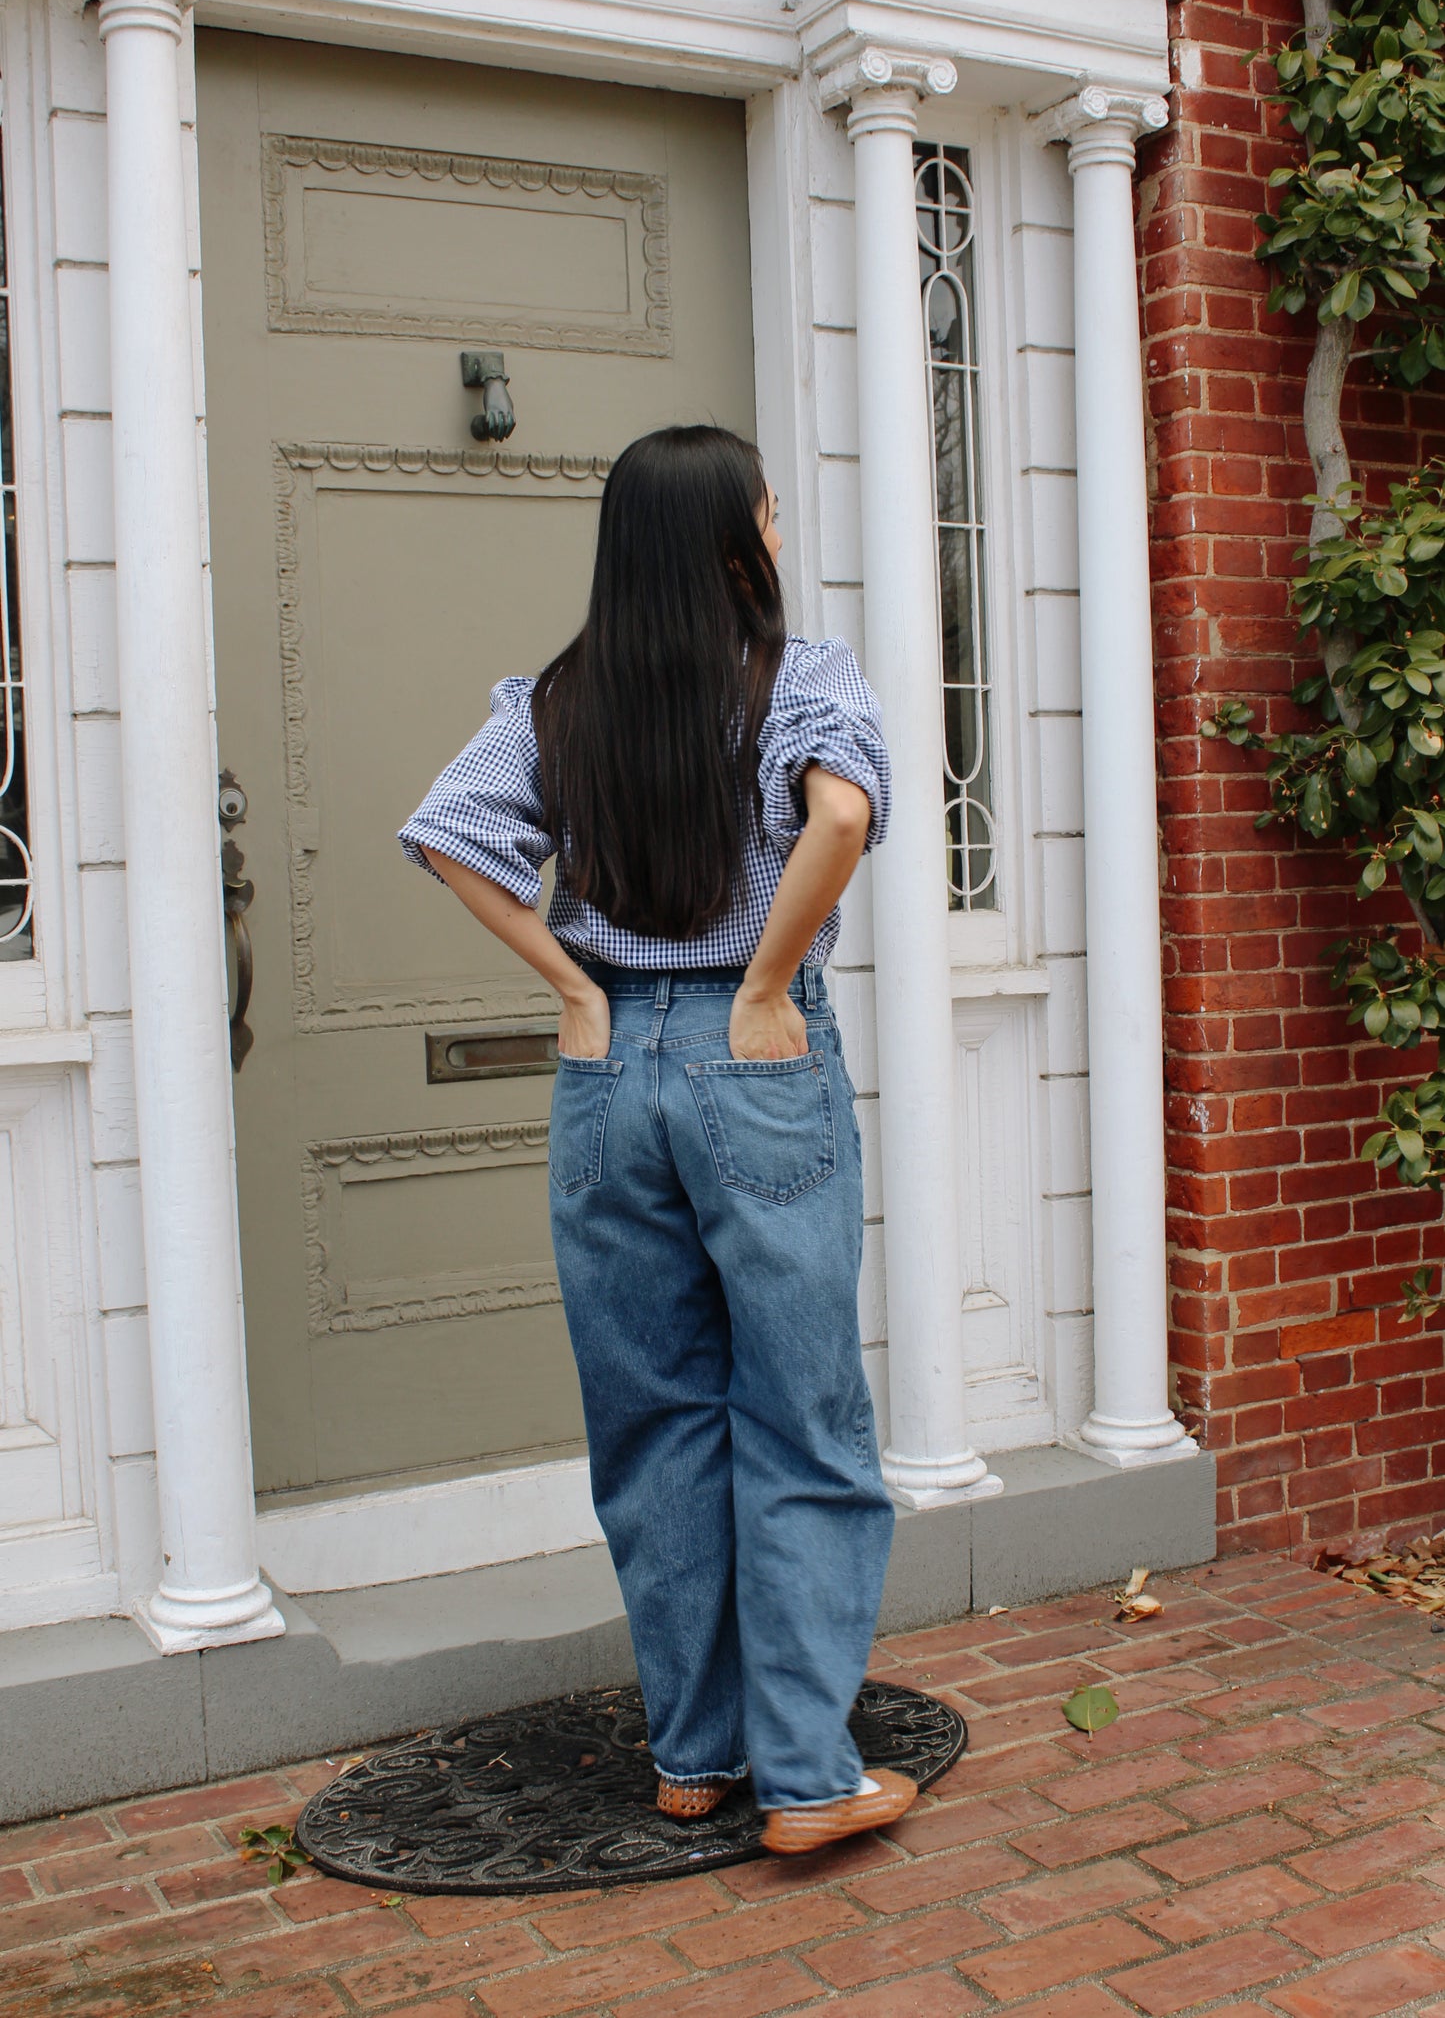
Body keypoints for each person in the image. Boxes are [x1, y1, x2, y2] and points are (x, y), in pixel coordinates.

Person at [399, 423, 914, 1855]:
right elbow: (846, 812)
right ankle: (809, 1778)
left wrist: (575, 989)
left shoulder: (560, 699)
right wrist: (759, 984)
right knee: (799, 1414)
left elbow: (450, 833)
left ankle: (694, 1755)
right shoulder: (798, 677)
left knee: (654, 1415)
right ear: (732, 538)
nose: (775, 525)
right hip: (753, 1065)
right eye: (764, 505)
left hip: (610, 1068)